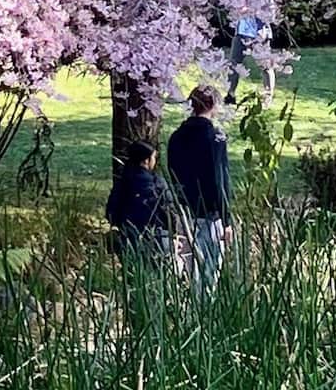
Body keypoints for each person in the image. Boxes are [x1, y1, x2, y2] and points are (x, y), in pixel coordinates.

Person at [167, 85, 231, 292]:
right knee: (208, 275)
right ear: (213, 105)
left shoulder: (176, 137)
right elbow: (219, 179)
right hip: (209, 213)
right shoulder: (215, 137)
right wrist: (226, 219)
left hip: (184, 210)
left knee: (188, 269)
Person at [105, 140, 175, 260]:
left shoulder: (122, 182)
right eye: (154, 157)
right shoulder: (157, 183)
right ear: (146, 160)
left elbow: (111, 213)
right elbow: (168, 212)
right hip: (155, 240)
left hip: (128, 240)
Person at [225, 14, 276, 105]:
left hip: (260, 35)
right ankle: (230, 94)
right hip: (241, 33)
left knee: (266, 66)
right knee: (233, 64)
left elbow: (270, 14)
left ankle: (268, 96)